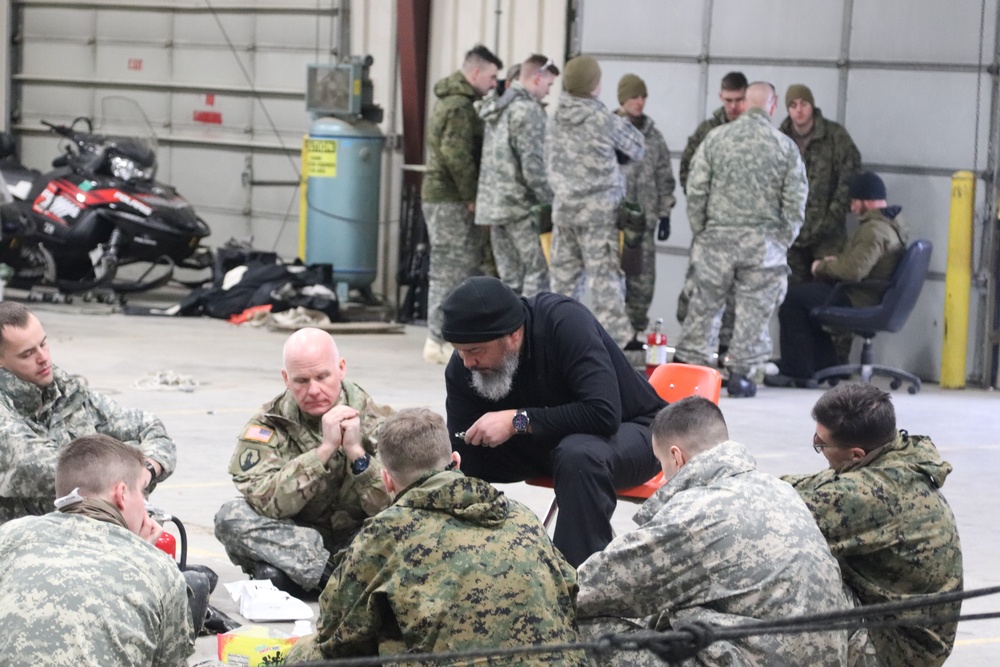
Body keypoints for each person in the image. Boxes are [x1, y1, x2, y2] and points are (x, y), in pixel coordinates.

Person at [284, 408, 586, 666]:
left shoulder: (386, 532)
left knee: (305, 655)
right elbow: (570, 591)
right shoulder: (520, 515)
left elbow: (334, 633)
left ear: (388, 480)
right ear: (456, 461)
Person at [576, 397, 849, 666]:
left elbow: (592, 588)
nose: (663, 476)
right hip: (818, 654)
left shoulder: (694, 512)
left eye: (661, 465)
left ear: (676, 456)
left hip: (756, 656)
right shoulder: (780, 488)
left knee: (582, 623)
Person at [441, 276, 664, 567]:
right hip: (548, 444)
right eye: (459, 350)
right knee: (458, 460)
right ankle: (462, 566)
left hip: (635, 431)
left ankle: (577, 587)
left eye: (475, 351)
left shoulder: (564, 322)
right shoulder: (464, 366)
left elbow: (603, 413)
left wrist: (517, 421)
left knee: (578, 454)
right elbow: (459, 447)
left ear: (513, 336)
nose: (467, 362)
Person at [783, 384, 963, 667]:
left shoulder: (874, 494)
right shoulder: (896, 455)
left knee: (771, 574)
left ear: (856, 454)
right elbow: (816, 485)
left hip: (898, 647)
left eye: (821, 444)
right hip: (892, 616)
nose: (818, 447)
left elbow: (772, 515)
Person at [214, 327, 392, 595]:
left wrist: (356, 453)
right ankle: (333, 578)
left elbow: (394, 503)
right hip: (299, 540)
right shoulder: (269, 425)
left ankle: (300, 578)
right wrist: (323, 452)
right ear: (286, 378)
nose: (314, 390)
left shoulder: (381, 422)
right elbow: (267, 502)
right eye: (301, 380)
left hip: (360, 539)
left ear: (341, 368)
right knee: (230, 517)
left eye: (323, 376)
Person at [0, 434, 194, 665]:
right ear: (122, 494)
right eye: (141, 492)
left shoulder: (9, 536)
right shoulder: (159, 570)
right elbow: (169, 661)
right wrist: (142, 553)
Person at [674, 82, 808, 398]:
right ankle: (742, 376)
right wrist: (781, 241)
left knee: (704, 307)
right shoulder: (785, 147)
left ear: (746, 104)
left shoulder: (716, 139)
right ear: (773, 107)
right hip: (762, 245)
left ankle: (694, 376)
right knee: (753, 313)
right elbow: (796, 202)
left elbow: (696, 190)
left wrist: (702, 231)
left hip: (716, 240)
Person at [0, 301, 177, 523]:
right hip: (23, 541)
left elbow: (149, 427)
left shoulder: (62, 389)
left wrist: (147, 469)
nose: (43, 357)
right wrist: (129, 471)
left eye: (43, 344)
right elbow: (47, 470)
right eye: (27, 354)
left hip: (81, 532)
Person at [767, 172, 909, 387]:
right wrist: (840, 261)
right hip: (872, 295)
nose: (851, 208)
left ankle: (797, 370)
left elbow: (854, 272)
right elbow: (863, 262)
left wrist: (822, 266)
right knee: (809, 301)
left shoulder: (873, 230)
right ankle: (826, 363)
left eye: (854, 202)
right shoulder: (892, 224)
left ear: (867, 201)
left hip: (859, 298)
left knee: (792, 299)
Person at [546, 55, 645, 348]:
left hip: (564, 213)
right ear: (595, 85)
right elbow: (637, 147)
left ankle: (553, 338)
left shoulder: (554, 118)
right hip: (599, 216)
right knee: (606, 284)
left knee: (563, 284)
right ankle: (620, 343)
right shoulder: (602, 119)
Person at [421, 44, 504, 365]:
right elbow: (456, 155)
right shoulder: (459, 106)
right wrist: (471, 195)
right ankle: (436, 338)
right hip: (450, 200)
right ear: (476, 73)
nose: (494, 83)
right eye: (492, 76)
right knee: (449, 270)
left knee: (454, 268)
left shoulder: (458, 102)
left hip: (446, 196)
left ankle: (440, 336)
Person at [676, 71, 748, 357]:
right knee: (698, 293)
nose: (734, 106)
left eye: (739, 100)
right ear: (720, 97)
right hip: (711, 230)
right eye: (729, 100)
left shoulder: (755, 132)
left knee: (737, 297)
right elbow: (687, 172)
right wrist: (702, 218)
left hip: (744, 232)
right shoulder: (707, 131)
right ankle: (697, 353)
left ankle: (728, 351)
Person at [476, 54, 560, 297]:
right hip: (521, 208)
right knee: (538, 272)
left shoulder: (497, 109)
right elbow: (533, 167)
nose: (548, 91)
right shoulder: (528, 111)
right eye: (548, 84)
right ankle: (530, 331)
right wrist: (552, 202)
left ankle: (507, 331)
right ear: (536, 78)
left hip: (495, 208)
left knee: (509, 280)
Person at [615, 73, 676, 341]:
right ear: (622, 99)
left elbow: (665, 177)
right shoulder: (609, 129)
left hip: (645, 223)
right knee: (615, 282)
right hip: (615, 223)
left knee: (642, 283)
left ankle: (635, 333)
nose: (639, 102)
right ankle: (617, 335)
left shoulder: (654, 136)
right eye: (633, 96)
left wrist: (665, 214)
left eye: (643, 97)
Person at [780, 84, 862, 284]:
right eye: (793, 105)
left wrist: (833, 215)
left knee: (825, 292)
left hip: (828, 236)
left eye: (804, 104)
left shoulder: (835, 136)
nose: (799, 110)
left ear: (812, 106)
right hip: (791, 237)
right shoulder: (780, 140)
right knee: (792, 297)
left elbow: (850, 174)